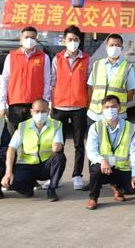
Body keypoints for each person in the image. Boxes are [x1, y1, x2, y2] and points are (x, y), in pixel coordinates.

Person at [84, 95, 135, 210]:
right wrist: (101, 160)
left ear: (119, 107)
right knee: (95, 170)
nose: (110, 110)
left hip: (121, 168)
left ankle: (117, 188)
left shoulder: (130, 128)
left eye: (114, 106)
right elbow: (91, 151)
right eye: (107, 107)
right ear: (102, 109)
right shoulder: (96, 127)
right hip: (104, 167)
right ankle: (93, 198)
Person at [2, 98, 66, 201]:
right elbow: (11, 148)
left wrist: (58, 146)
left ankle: (52, 189)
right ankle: (28, 187)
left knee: (59, 157)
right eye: (37, 111)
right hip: (27, 165)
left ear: (48, 111)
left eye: (43, 111)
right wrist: (8, 172)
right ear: (31, 112)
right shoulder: (23, 126)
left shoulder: (56, 124)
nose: (40, 114)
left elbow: (58, 144)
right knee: (11, 183)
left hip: (45, 166)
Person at [50, 24, 90, 191]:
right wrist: (51, 104)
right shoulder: (57, 59)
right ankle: (56, 175)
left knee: (79, 143)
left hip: (79, 107)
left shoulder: (86, 59)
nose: (73, 42)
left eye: (76, 39)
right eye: (70, 39)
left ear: (79, 41)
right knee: (57, 142)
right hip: (59, 106)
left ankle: (77, 175)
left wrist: (88, 103)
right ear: (64, 41)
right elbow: (52, 82)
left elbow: (89, 84)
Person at [0, 26, 50, 133]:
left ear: (36, 40)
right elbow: (5, 81)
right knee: (14, 137)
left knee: (32, 137)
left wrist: (45, 103)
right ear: (21, 39)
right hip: (15, 105)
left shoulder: (43, 58)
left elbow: (47, 81)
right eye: (26, 37)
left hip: (35, 106)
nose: (29, 40)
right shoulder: (11, 57)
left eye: (32, 37)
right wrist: (3, 104)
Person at [87, 33, 135, 124]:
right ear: (106, 47)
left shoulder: (128, 67)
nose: (114, 47)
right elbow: (90, 87)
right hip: (95, 115)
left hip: (117, 115)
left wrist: (116, 106)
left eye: (117, 45)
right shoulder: (97, 64)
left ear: (121, 48)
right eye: (111, 45)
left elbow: (131, 92)